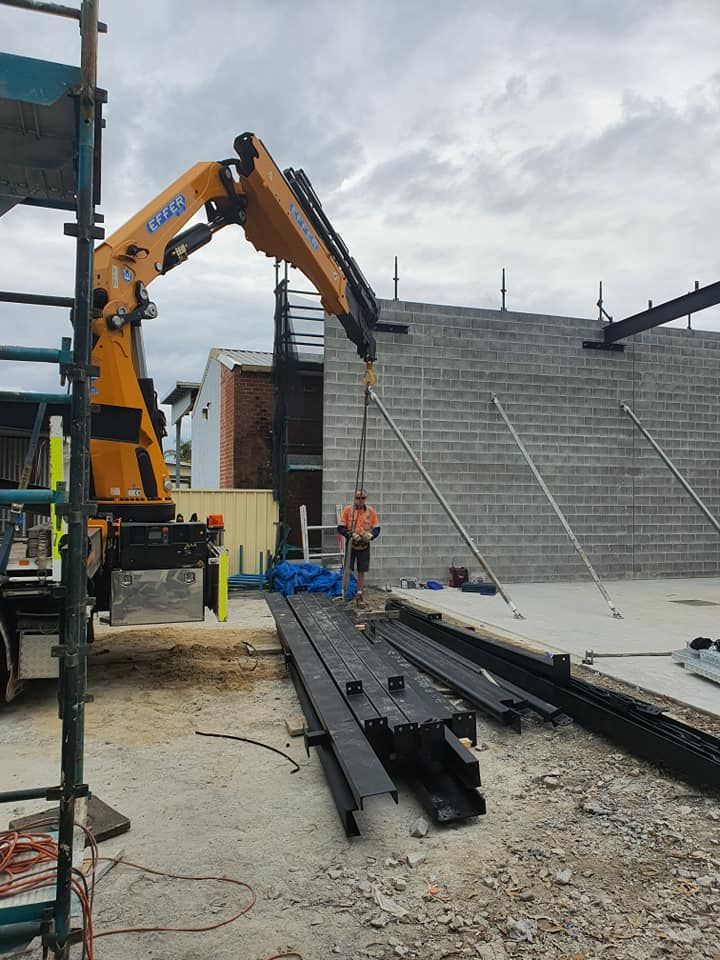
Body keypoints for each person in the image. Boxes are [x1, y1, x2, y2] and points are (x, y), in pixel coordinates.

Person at [337, 490, 380, 603]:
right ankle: (344, 592)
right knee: (347, 569)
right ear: (354, 498)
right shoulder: (348, 510)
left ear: (366, 499)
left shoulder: (371, 511)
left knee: (362, 570)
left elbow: (377, 528)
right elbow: (340, 528)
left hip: (364, 545)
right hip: (351, 544)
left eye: (363, 498)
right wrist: (350, 534)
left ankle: (359, 595)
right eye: (358, 498)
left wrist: (371, 535)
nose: (360, 500)